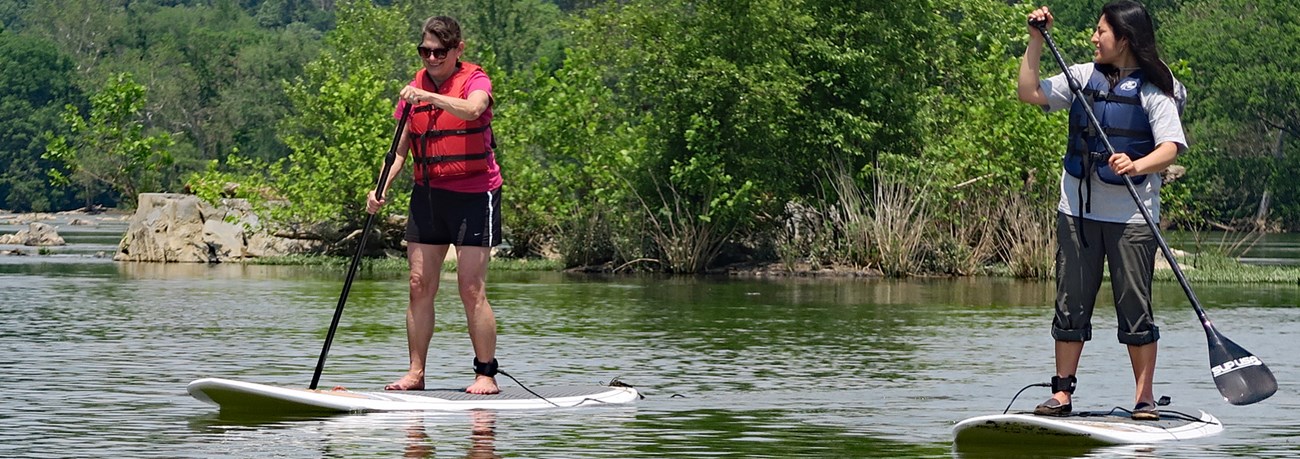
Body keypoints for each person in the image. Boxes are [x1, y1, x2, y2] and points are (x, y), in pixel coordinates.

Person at [1016, 1, 1186, 421]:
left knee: (1134, 305)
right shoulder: (1081, 77)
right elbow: (1028, 92)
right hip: (1076, 211)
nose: (1093, 38)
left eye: (1101, 32)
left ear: (1124, 39)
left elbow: (1170, 148)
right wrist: (1036, 40)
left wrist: (1137, 165)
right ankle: (1061, 394)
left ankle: (1143, 398)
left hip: (1131, 217)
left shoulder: (1154, 89)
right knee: (1070, 303)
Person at [366, 15, 502, 395]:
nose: (430, 58)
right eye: (424, 51)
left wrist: (427, 96)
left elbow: (473, 109)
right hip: (428, 195)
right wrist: (380, 187)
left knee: (470, 286)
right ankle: (416, 372)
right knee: (418, 284)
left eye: (438, 52)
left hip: (476, 194)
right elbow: (397, 152)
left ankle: (485, 374)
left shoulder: (476, 80)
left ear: (458, 50)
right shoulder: (413, 90)